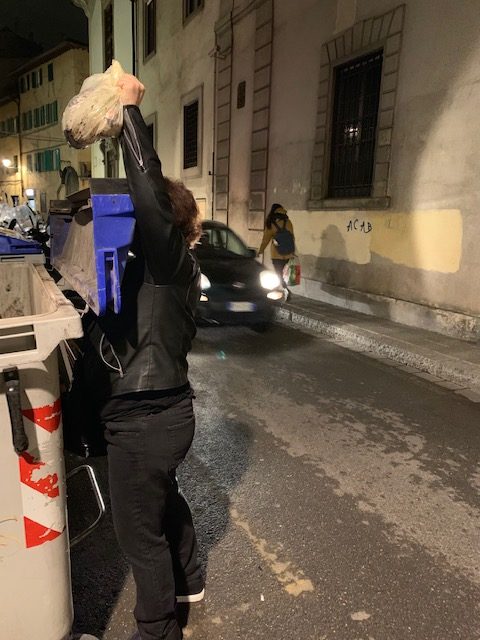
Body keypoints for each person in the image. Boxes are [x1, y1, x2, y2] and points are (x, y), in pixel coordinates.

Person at [78, 75, 204, 640]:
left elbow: (149, 197)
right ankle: (191, 578)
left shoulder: (169, 259)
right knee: (162, 496)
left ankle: (157, 630)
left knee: (138, 536)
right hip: (164, 414)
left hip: (144, 417)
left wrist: (129, 113)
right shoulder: (160, 271)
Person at [258, 203, 295, 300]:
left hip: (276, 254)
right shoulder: (288, 222)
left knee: (279, 273)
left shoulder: (271, 222)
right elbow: (291, 237)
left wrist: (260, 250)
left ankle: (285, 289)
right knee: (284, 273)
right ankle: (282, 289)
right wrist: (292, 251)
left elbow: (266, 239)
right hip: (287, 252)